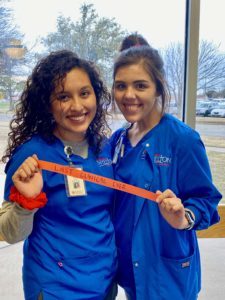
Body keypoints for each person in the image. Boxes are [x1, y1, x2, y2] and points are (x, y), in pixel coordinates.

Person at [110, 34, 222, 299]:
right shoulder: (118, 140)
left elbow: (206, 200)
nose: (128, 95)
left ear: (158, 88)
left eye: (140, 86)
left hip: (167, 272)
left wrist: (183, 218)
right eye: (120, 86)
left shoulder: (182, 140)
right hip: (131, 269)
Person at [0, 50, 117, 300]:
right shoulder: (31, 156)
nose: (77, 106)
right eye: (63, 97)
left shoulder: (106, 148)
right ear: (47, 103)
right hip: (55, 287)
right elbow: (10, 233)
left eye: (84, 93)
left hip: (104, 283)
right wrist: (25, 205)